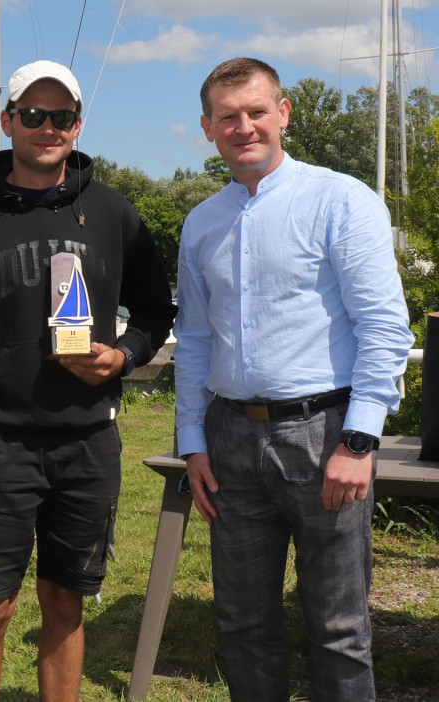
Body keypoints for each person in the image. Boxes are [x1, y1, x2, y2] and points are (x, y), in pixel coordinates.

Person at [0, 60, 176, 701]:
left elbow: (158, 308)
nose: (47, 127)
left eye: (61, 117)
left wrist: (125, 355)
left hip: (87, 442)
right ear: (8, 121)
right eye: (32, 115)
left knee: (65, 603)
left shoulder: (113, 211)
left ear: (78, 125)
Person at [174, 57, 414, 701]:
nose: (244, 126)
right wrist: (191, 441)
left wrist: (359, 442)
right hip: (228, 441)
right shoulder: (201, 224)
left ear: (284, 113)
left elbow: (385, 328)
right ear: (208, 127)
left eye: (257, 111)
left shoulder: (340, 201)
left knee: (338, 628)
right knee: (242, 625)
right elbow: (195, 339)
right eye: (228, 116)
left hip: (325, 436)